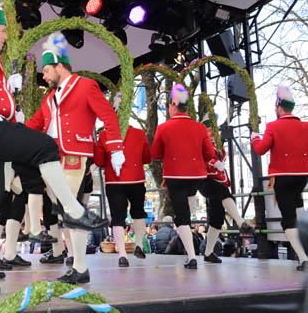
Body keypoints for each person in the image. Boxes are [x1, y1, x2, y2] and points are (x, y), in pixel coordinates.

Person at [0, 0, 108, 294]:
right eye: (3, 30)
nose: (6, 36)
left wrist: (8, 98)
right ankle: (72, 209)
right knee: (46, 146)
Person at [23, 32, 124, 283]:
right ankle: (79, 267)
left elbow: (108, 116)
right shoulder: (49, 99)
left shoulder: (85, 85)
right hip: (50, 162)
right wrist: (12, 125)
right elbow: (33, 126)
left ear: (59, 66)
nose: (44, 77)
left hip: (74, 158)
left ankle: (80, 267)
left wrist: (116, 148)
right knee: (70, 212)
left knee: (72, 211)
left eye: (46, 71)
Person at [151, 84, 218, 269]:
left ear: (173, 104)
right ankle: (190, 250)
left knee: (181, 217)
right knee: (186, 212)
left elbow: (155, 154)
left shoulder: (163, 128)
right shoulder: (199, 128)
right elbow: (210, 154)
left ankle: (191, 256)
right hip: (196, 176)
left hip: (175, 176)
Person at [251, 85, 308, 271]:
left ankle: (303, 258)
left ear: (279, 107)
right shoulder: (305, 126)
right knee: (298, 208)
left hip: (282, 177)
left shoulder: (273, 126)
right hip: (302, 176)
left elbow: (261, 149)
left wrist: (254, 138)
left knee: (288, 220)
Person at [94, 103, 151, 267]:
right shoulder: (140, 134)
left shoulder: (104, 136)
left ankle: (122, 254)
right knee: (138, 212)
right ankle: (139, 244)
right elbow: (147, 158)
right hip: (136, 179)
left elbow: (98, 161)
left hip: (114, 181)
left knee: (117, 217)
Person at [198, 113, 253, 264]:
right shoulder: (199, 141)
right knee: (224, 193)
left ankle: (208, 252)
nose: (210, 132)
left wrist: (218, 160)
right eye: (208, 129)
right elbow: (200, 157)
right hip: (204, 179)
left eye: (211, 129)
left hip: (217, 179)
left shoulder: (217, 143)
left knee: (217, 217)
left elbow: (219, 157)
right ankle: (240, 221)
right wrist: (213, 163)